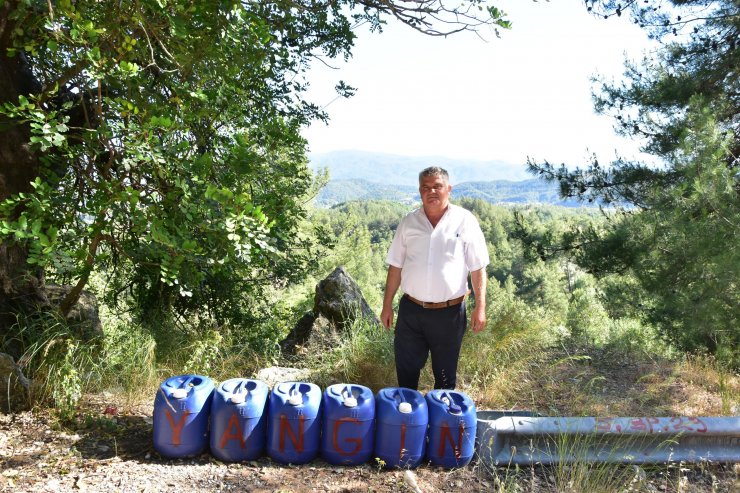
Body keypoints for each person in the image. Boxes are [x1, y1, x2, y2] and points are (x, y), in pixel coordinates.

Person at [380, 166, 489, 390]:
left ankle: (441, 422)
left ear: (448, 189)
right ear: (420, 191)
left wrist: (480, 307)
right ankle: (408, 421)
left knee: (445, 375)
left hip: (449, 314)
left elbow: (478, 268)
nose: (432, 191)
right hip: (411, 311)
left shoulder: (465, 221)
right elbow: (395, 267)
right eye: (426, 187)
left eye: (437, 186)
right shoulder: (408, 222)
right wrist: (387, 305)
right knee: (406, 372)